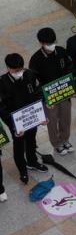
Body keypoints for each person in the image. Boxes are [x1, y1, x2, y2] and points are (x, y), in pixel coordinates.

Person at [0, 53, 48, 184]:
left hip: (31, 118)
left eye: (21, 69)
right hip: (16, 123)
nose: (19, 72)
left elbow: (38, 94)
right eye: (16, 70)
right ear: (8, 68)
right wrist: (13, 126)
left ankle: (32, 162)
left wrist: (42, 116)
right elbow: (2, 109)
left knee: (31, 141)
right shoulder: (2, 83)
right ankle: (22, 170)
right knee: (19, 146)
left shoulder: (29, 75)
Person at [29, 27, 74, 156]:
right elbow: (34, 83)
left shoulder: (61, 51)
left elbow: (70, 69)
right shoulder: (35, 60)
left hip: (64, 93)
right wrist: (44, 99)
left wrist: (72, 87)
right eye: (48, 44)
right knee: (52, 121)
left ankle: (65, 139)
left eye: (53, 42)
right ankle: (56, 143)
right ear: (41, 43)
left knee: (66, 117)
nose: (52, 45)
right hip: (49, 98)